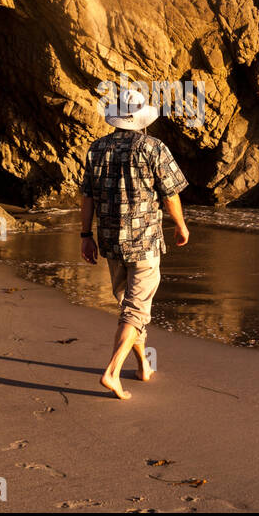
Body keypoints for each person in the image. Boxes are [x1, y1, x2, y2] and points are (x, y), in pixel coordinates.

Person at [79, 87, 189, 399]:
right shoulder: (153, 148)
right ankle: (112, 372)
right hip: (144, 243)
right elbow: (171, 194)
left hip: (111, 243)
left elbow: (86, 197)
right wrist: (181, 226)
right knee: (135, 310)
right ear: (140, 118)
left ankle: (143, 366)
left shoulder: (96, 149)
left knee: (132, 308)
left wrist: (85, 236)